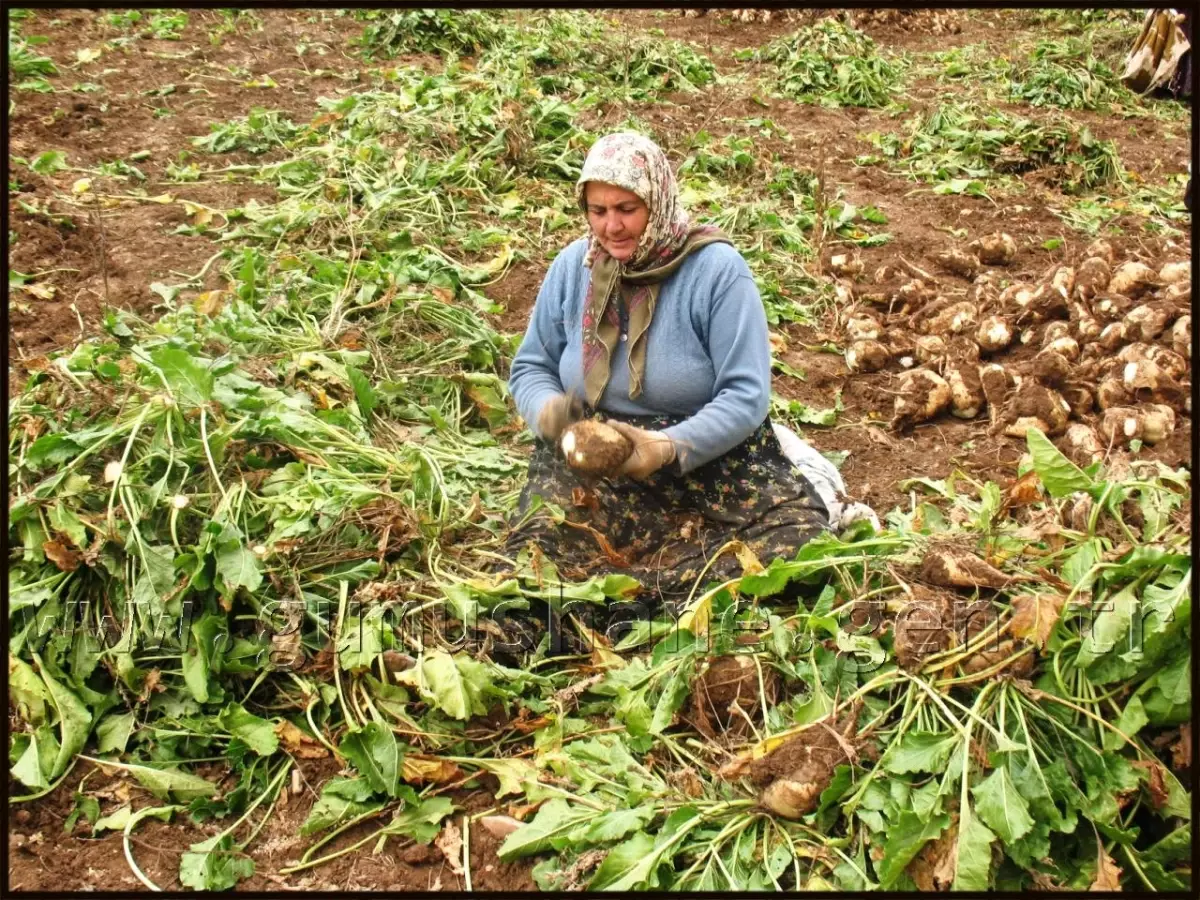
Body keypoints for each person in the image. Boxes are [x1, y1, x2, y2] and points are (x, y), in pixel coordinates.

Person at [505, 132, 840, 607]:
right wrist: (551, 414)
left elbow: (746, 395)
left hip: (710, 456)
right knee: (539, 551)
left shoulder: (717, 272)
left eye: (627, 209)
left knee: (799, 548)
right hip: (602, 461)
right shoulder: (572, 268)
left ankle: (635, 599)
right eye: (598, 211)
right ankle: (634, 596)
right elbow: (532, 364)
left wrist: (664, 447)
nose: (612, 226)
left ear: (657, 202)